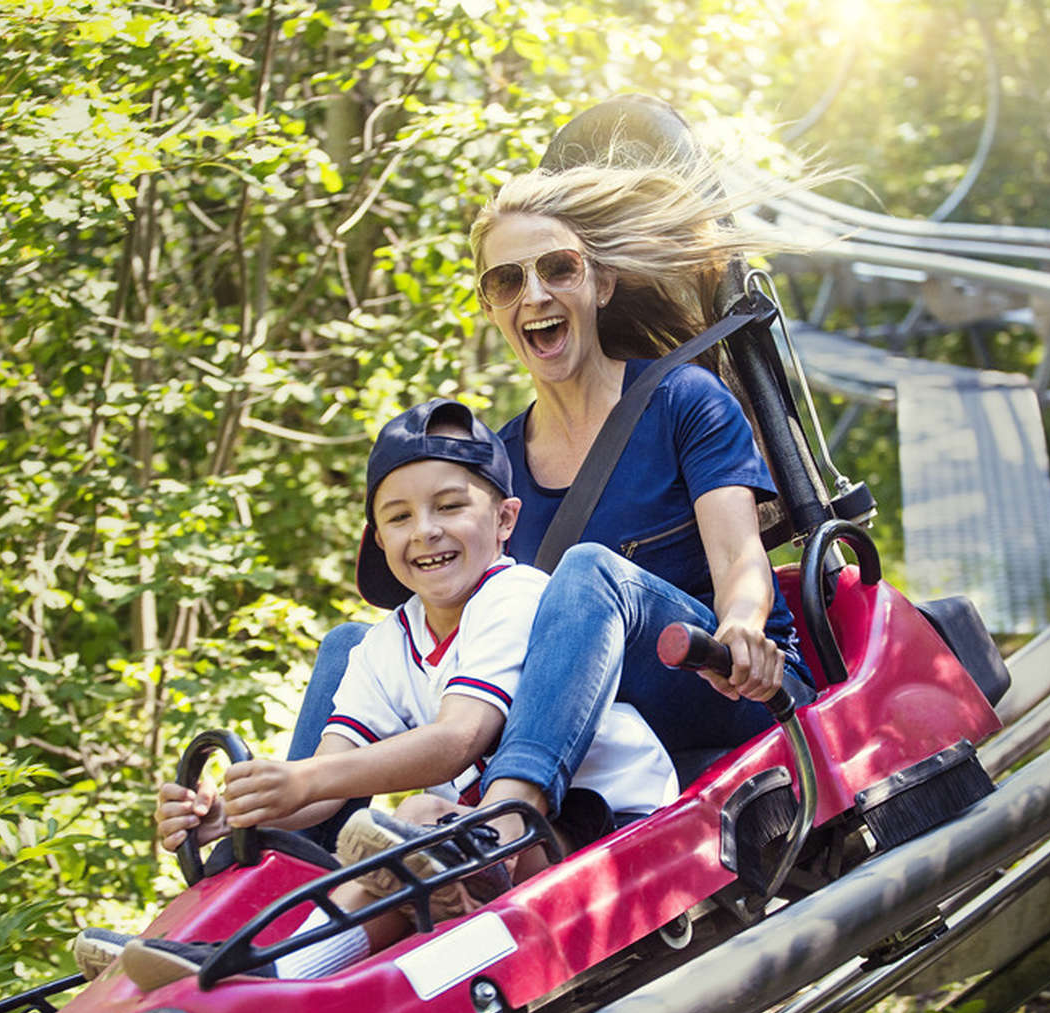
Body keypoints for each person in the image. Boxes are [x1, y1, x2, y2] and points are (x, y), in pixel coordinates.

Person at [0, 398, 678, 1013]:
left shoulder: (515, 595)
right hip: (484, 843)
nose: (425, 532)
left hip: (595, 823)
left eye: (450, 506)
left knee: (412, 826)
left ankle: (264, 975)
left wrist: (306, 782)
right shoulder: (390, 641)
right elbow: (327, 778)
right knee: (372, 842)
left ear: (505, 520)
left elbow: (457, 739)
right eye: (398, 516)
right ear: (378, 536)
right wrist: (231, 812)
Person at [290, 151, 816, 858]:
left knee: (587, 570)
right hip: (581, 721)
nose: (533, 294)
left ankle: (504, 823)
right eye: (508, 280)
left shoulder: (682, 402)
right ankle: (264, 863)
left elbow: (740, 559)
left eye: (558, 269)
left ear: (599, 283)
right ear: (492, 306)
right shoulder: (495, 468)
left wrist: (743, 627)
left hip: (721, 686)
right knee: (354, 645)